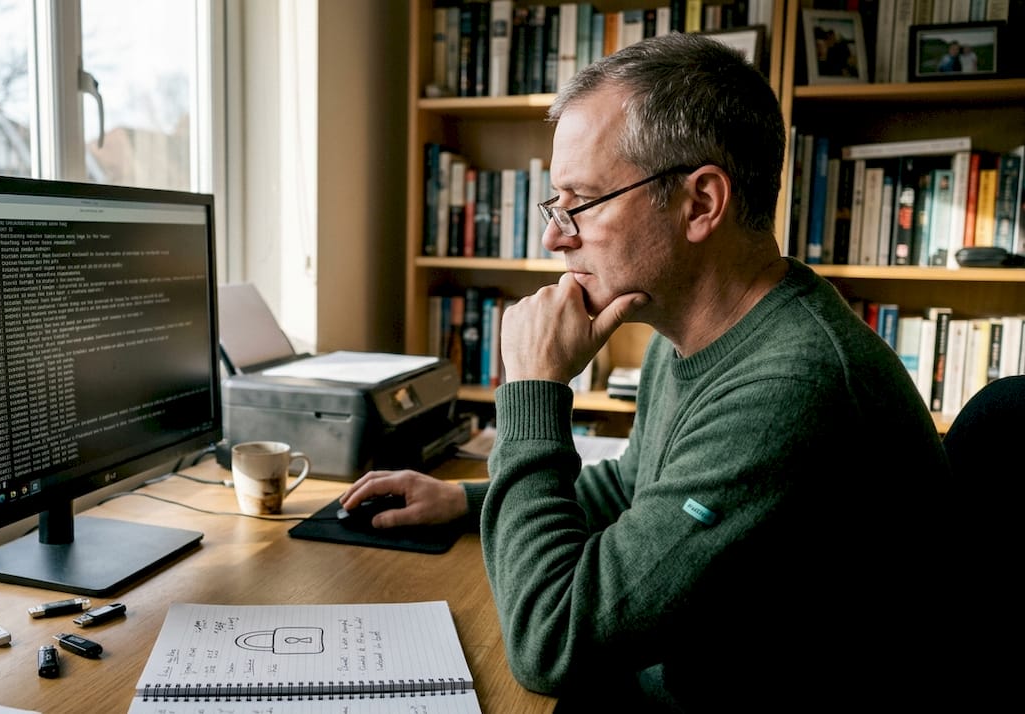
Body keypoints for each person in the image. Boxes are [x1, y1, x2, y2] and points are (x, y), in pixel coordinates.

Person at [342, 33, 955, 710]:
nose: (554, 236)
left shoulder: (791, 391)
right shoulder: (688, 330)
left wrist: (531, 394)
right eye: (556, 203)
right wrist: (466, 501)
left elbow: (549, 642)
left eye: (581, 201)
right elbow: (637, 491)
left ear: (700, 204)